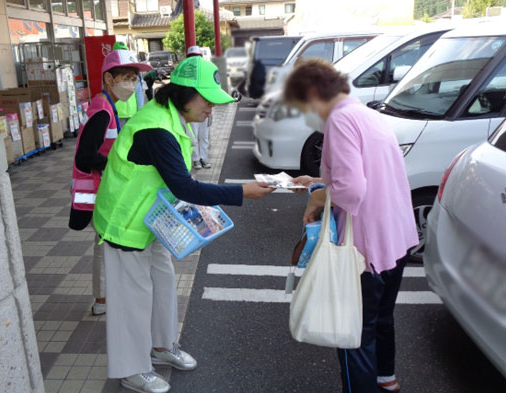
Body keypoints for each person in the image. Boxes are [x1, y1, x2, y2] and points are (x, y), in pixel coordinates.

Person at [93, 56, 273, 393]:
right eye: (206, 99)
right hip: (124, 223)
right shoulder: (157, 129)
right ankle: (131, 369)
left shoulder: (172, 118)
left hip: (150, 219)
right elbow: (185, 186)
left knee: (162, 284)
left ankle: (161, 346)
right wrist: (242, 191)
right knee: (132, 298)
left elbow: (176, 181)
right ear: (183, 94)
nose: (211, 108)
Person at [284, 59, 418, 393]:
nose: (305, 113)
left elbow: (351, 190)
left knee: (353, 334)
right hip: (396, 239)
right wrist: (316, 182)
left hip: (364, 249)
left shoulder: (340, 121)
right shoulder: (367, 115)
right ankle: (386, 378)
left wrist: (317, 200)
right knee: (381, 319)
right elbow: (363, 175)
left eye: (303, 104)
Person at [68, 49, 151, 316]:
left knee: (104, 243)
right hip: (94, 191)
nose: (131, 84)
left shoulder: (106, 105)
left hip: (100, 188)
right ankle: (103, 299)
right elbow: (85, 156)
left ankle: (103, 298)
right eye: (125, 77)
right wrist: (117, 164)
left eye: (134, 78)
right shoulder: (102, 111)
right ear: (108, 79)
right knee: (105, 244)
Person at [186, 45, 212, 169]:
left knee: (204, 135)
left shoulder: (206, 71)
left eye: (197, 57)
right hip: (191, 110)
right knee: (193, 135)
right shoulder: (184, 74)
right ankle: (196, 159)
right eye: (191, 57)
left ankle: (204, 158)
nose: (194, 60)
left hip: (205, 108)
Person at [113, 42, 146, 128]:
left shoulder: (134, 73)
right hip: (117, 114)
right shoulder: (111, 74)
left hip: (132, 112)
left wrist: (140, 111)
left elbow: (139, 93)